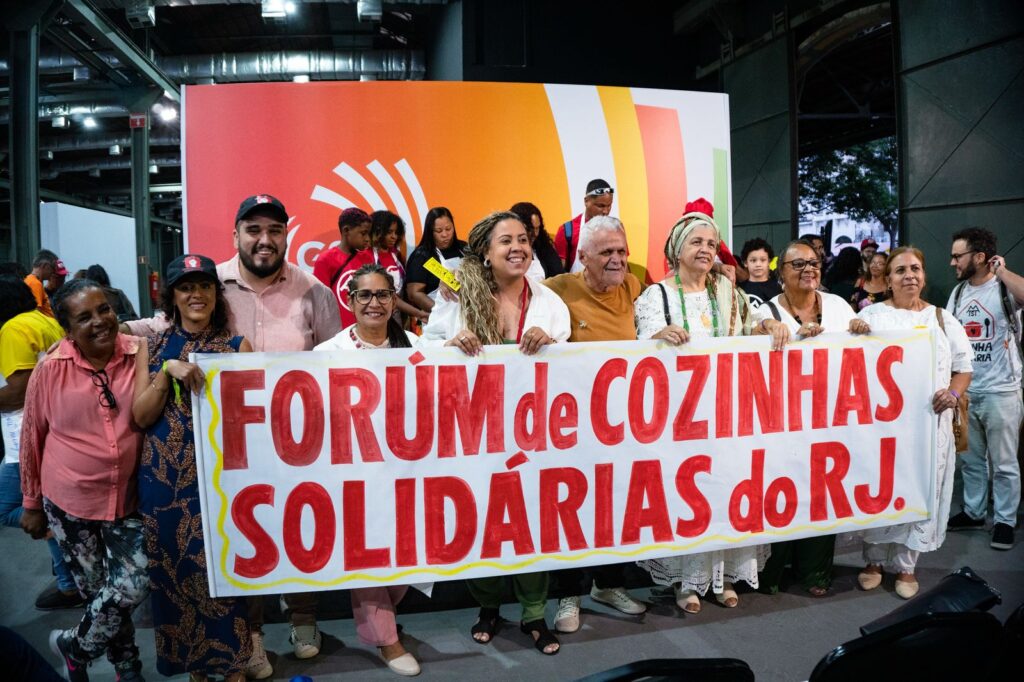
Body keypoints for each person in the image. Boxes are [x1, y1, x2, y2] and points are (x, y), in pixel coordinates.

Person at [423, 211, 570, 655]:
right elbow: (427, 351)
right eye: (505, 240)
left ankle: (533, 613)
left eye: (523, 239)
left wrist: (552, 345)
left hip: (534, 433)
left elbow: (577, 371)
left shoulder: (549, 303)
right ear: (485, 252)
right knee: (480, 520)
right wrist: (450, 346)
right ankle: (488, 608)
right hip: (473, 433)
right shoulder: (455, 299)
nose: (517, 247)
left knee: (532, 523)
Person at [215, 194, 341, 676]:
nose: (264, 240)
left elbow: (335, 364)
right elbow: (167, 329)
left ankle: (304, 617)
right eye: (253, 230)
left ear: (287, 234)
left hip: (299, 441)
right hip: (230, 443)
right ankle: (251, 634)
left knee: (301, 527)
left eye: (274, 229)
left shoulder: (315, 291)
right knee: (244, 538)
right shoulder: (212, 284)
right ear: (236, 236)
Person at [634, 208, 765, 613]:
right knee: (689, 496)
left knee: (726, 490)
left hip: (727, 413)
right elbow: (641, 347)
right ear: (677, 249)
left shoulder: (728, 292)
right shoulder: (656, 295)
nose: (706, 249)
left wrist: (769, 328)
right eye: (697, 242)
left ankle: (722, 575)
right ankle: (686, 583)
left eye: (711, 243)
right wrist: (658, 337)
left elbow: (752, 324)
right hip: (680, 417)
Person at [19, 279, 148, 681]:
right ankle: (128, 668)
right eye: (85, 317)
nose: (99, 321)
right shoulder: (50, 368)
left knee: (130, 586)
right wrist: (31, 502)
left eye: (104, 309)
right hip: (69, 501)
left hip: (128, 498)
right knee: (100, 596)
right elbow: (32, 436)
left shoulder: (139, 353)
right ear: (67, 328)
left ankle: (72, 646)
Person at [132, 254, 253, 681]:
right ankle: (195, 666)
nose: (196, 294)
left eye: (204, 286)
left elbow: (250, 422)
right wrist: (167, 372)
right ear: (173, 296)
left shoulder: (238, 347)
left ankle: (234, 662)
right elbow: (141, 417)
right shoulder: (154, 349)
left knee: (226, 572)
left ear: (215, 294)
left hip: (222, 481)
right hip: (165, 483)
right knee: (174, 574)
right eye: (186, 287)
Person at [314, 264, 421, 676]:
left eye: (382, 295)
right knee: (370, 554)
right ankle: (387, 640)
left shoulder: (417, 346)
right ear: (351, 301)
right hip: (355, 476)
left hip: (408, 472)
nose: (374, 303)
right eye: (365, 295)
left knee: (406, 554)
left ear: (394, 300)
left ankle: (381, 622)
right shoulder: (328, 354)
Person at [542, 216, 646, 633]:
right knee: (575, 510)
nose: (618, 260)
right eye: (606, 252)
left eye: (621, 251)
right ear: (582, 257)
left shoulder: (636, 288)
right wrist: (449, 290)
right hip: (571, 427)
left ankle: (609, 584)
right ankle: (569, 594)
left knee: (618, 507)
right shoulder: (556, 289)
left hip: (623, 424)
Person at [856, 247, 972, 598]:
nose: (910, 275)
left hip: (928, 425)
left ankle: (907, 566)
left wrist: (952, 394)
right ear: (887, 280)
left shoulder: (941, 318)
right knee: (880, 486)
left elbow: (964, 367)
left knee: (921, 488)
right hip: (882, 428)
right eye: (901, 270)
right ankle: (874, 560)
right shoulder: (872, 315)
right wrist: (855, 332)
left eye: (916, 269)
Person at [753, 240, 867, 597]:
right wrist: (767, 330)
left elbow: (856, 354)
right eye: (798, 264)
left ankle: (816, 572)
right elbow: (749, 347)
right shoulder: (766, 311)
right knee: (779, 491)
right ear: (780, 273)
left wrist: (862, 332)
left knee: (821, 493)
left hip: (828, 419)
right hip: (780, 422)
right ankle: (770, 572)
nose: (808, 270)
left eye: (814, 263)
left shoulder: (836, 306)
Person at [0, 277, 80, 611]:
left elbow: (18, 391)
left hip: (23, 436)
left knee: (7, 509)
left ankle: (60, 538)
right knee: (46, 505)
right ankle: (68, 581)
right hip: (49, 429)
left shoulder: (12, 330)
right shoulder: (44, 320)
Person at [946, 228, 1023, 550]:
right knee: (972, 460)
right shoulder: (959, 293)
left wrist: (1001, 270)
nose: (952, 262)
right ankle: (975, 511)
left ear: (979, 257)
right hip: (968, 391)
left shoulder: (1004, 288)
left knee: (1004, 462)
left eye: (957, 256)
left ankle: (1005, 519)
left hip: (1002, 390)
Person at [348, 210, 429, 324]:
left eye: (396, 232)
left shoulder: (397, 255)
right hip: (377, 314)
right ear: (377, 231)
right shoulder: (365, 256)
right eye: (389, 232)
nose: (394, 237)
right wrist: (418, 313)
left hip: (400, 315)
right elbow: (389, 294)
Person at [312, 207, 372, 328]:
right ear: (346, 230)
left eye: (368, 234)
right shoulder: (325, 260)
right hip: (337, 331)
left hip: (365, 328)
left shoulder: (367, 258)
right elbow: (320, 301)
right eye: (363, 233)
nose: (367, 239)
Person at [405, 207, 466, 312]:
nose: (445, 234)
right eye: (439, 231)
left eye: (448, 229)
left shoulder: (464, 248)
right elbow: (414, 293)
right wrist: (439, 313)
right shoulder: (422, 256)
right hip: (438, 319)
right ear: (430, 232)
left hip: (468, 314)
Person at [554, 179, 614, 272]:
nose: (605, 211)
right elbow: (558, 274)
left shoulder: (615, 231)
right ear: (586, 201)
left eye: (609, 205)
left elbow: (623, 269)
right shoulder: (567, 231)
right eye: (600, 206)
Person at [510, 201, 564, 280]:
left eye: (537, 228)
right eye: (530, 229)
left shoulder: (543, 247)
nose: (535, 233)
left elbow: (559, 277)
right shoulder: (508, 252)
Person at [738, 237, 781, 308]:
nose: (758, 264)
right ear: (745, 263)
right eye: (753, 260)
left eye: (763, 260)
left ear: (769, 261)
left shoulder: (778, 288)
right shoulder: (739, 289)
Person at [25, 249, 66, 318]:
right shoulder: (35, 283)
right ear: (45, 266)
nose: (53, 272)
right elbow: (37, 312)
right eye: (53, 268)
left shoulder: (29, 280)